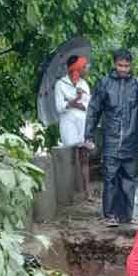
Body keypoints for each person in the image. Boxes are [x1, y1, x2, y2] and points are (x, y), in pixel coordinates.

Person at [83, 49, 138, 226]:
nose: (123, 69)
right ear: (114, 64)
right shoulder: (104, 84)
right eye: (120, 65)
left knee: (129, 179)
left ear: (130, 66)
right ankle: (110, 215)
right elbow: (93, 110)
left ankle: (126, 216)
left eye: (126, 66)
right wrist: (88, 135)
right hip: (111, 140)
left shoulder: (136, 85)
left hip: (131, 140)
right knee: (110, 178)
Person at [55, 55, 92, 199]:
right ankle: (69, 193)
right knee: (70, 157)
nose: (86, 69)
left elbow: (89, 104)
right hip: (68, 124)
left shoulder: (84, 84)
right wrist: (74, 100)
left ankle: (87, 192)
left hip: (82, 124)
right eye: (84, 67)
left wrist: (77, 103)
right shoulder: (61, 84)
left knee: (84, 157)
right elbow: (59, 108)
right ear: (76, 68)